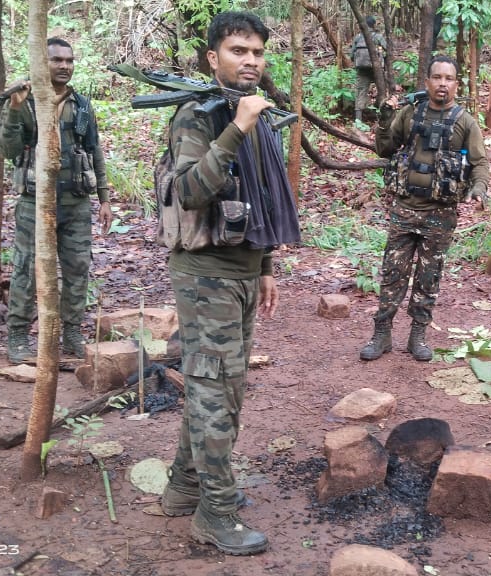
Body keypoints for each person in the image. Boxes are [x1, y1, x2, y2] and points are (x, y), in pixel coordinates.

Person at [156, 11, 300, 556]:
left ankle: (183, 488)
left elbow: (259, 197)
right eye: (239, 51)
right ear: (213, 57)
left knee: (217, 389)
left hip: (240, 271)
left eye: (259, 53)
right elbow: (190, 191)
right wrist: (236, 127)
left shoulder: (257, 113)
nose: (252, 61)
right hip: (206, 275)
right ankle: (214, 514)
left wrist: (264, 267)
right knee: (217, 393)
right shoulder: (199, 115)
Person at [360, 54, 490, 362]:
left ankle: (417, 334)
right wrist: (383, 120)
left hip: (440, 214)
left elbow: (479, 162)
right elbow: (386, 148)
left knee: (428, 276)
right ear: (428, 81)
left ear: (456, 84)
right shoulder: (410, 113)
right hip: (405, 208)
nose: (443, 84)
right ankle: (382, 334)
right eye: (437, 77)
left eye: (449, 78)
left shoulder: (464, 122)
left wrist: (478, 188)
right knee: (393, 273)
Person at [0, 37, 113, 364]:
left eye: (69, 60)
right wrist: (16, 109)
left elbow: (95, 152)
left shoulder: (82, 105)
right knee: (26, 269)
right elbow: (7, 150)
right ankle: (18, 336)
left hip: (75, 202)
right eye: (56, 60)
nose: (64, 66)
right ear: (41, 63)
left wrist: (104, 198)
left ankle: (72, 332)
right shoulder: (24, 101)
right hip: (35, 202)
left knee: (77, 267)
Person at [350, 15, 387, 124]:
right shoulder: (378, 37)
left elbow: (352, 55)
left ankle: (358, 120)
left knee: (361, 92)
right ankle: (382, 117)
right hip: (377, 69)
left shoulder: (358, 37)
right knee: (382, 91)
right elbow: (387, 50)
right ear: (373, 25)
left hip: (361, 69)